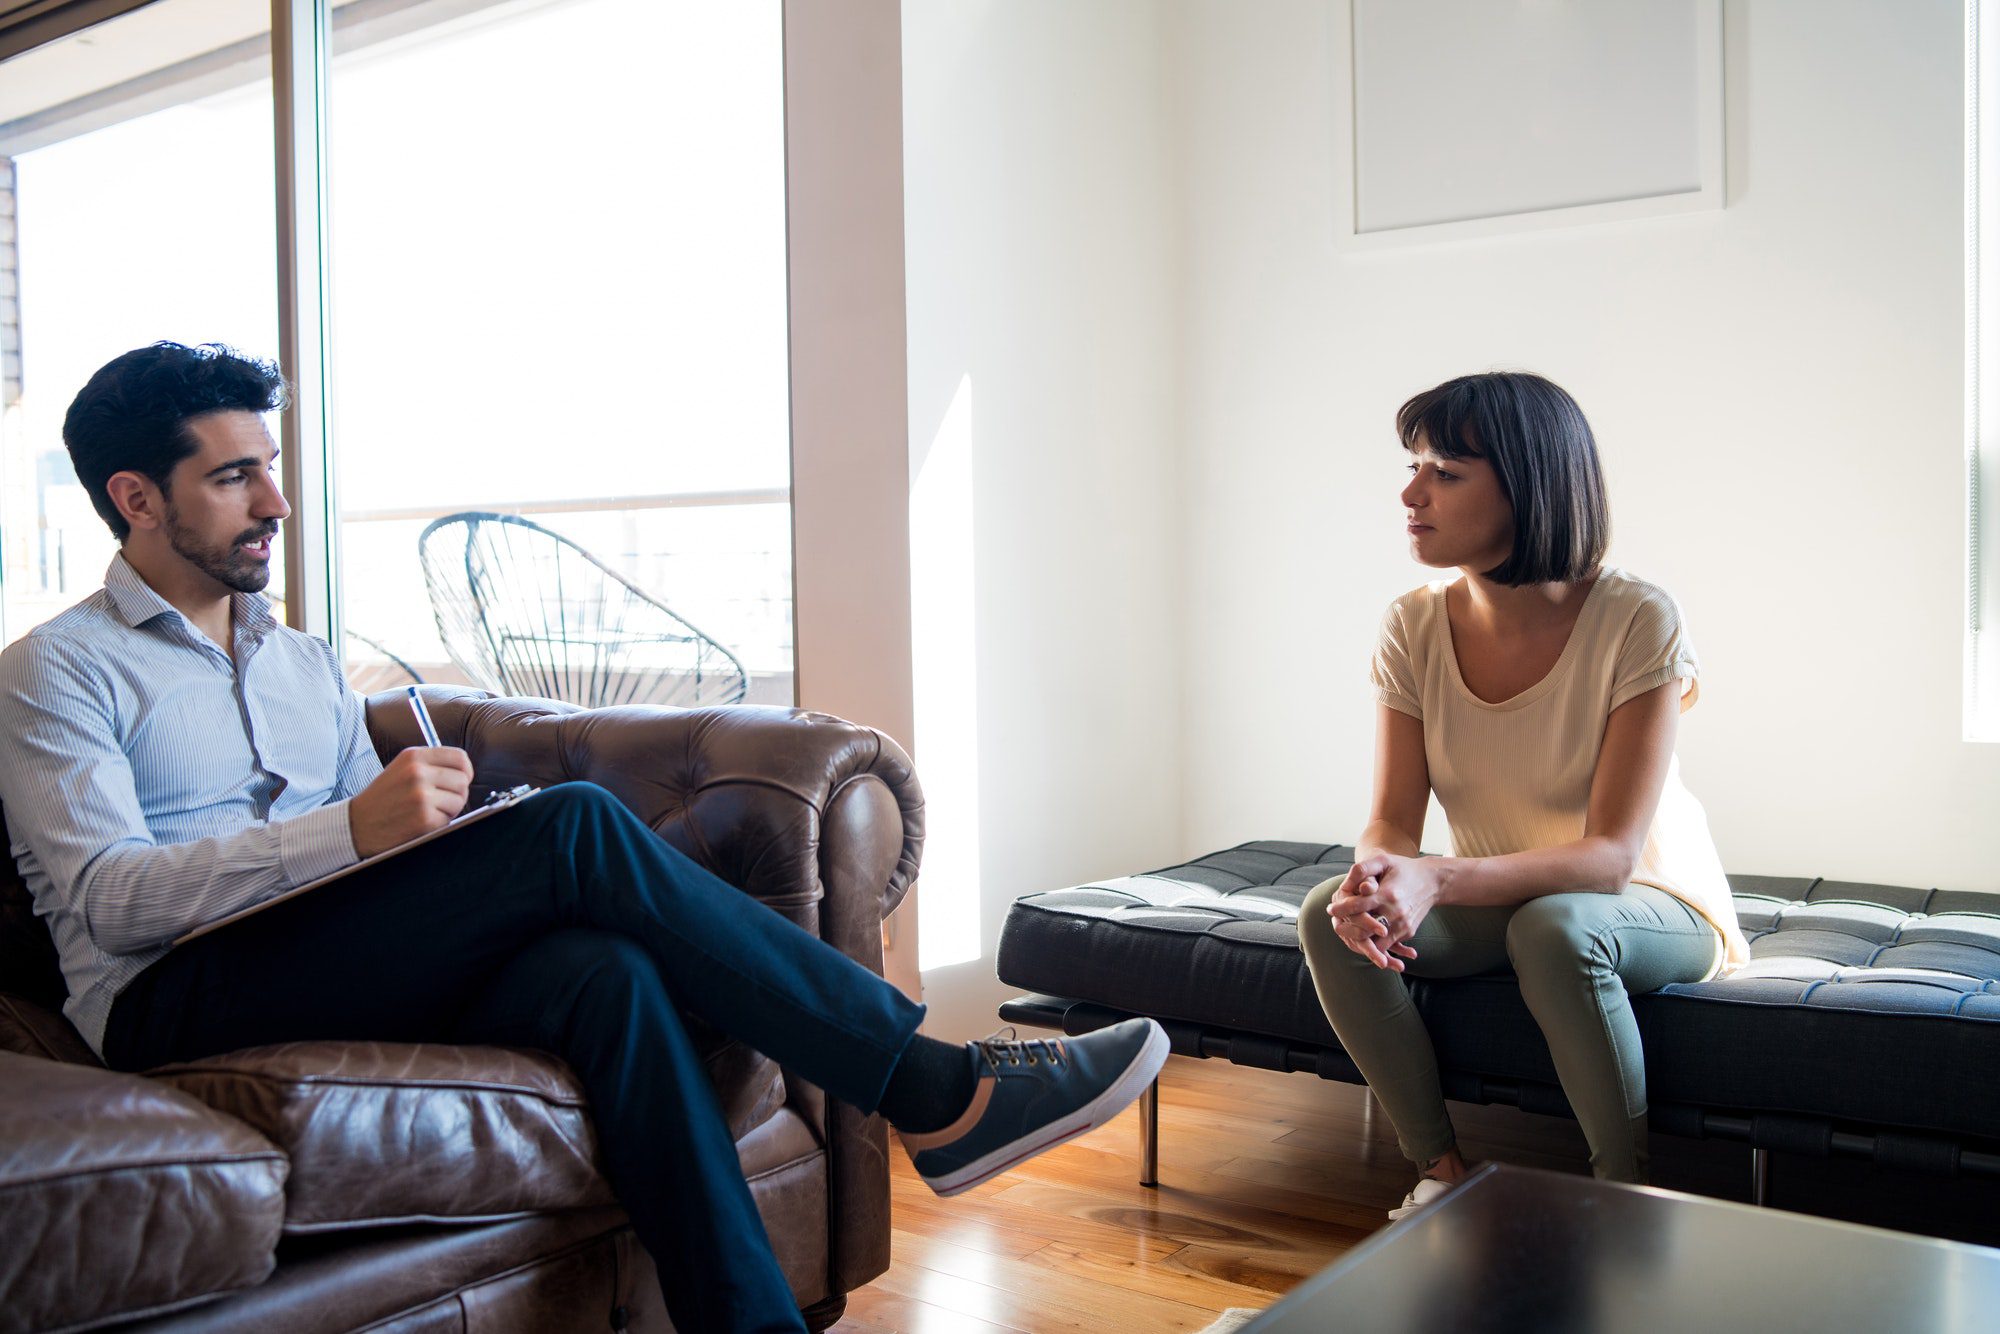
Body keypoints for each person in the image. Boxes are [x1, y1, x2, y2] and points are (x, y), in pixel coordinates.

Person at [0, 341, 1169, 1334]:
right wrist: (350, 833)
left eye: (273, 469)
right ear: (137, 497)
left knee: (600, 974)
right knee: (569, 830)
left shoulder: (303, 658)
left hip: (323, 960)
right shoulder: (58, 670)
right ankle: (931, 1085)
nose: (275, 503)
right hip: (170, 998)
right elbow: (108, 896)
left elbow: (373, 859)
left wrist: (416, 835)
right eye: (234, 476)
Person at [1296, 371, 1748, 1216]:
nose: (1411, 492)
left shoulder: (1636, 618)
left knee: (1555, 929)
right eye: (1413, 466)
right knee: (1331, 910)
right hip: (1515, 896)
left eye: (1445, 472)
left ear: (1529, 485)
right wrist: (1380, 879)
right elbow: (1393, 816)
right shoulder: (1413, 625)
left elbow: (1610, 859)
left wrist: (1439, 877)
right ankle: (1439, 1173)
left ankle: (1627, 1200)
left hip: (1652, 904)